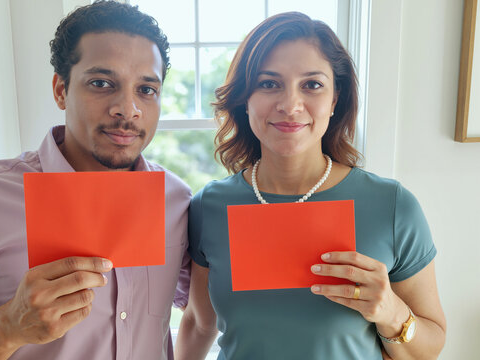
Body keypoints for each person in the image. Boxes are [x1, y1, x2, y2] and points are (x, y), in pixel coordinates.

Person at [175, 12, 446, 360]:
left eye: (312, 85)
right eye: (269, 83)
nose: (290, 105)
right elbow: (198, 324)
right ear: (246, 99)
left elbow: (430, 348)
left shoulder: (392, 205)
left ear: (335, 99)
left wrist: (391, 312)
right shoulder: (209, 206)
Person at [0, 1, 191, 359]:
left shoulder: (178, 201)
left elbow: (210, 305)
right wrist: (7, 327)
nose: (127, 108)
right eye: (102, 83)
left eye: (146, 89)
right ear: (61, 90)